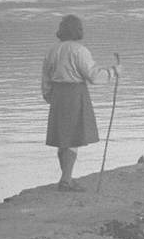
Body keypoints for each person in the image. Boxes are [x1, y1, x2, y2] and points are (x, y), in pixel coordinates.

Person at [40, 14, 118, 191]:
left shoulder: (52, 51)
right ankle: (66, 180)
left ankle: (66, 178)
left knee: (63, 137)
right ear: (78, 30)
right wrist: (114, 72)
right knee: (72, 137)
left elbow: (45, 78)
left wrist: (49, 96)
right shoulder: (79, 50)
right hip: (75, 94)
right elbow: (93, 76)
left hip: (57, 95)